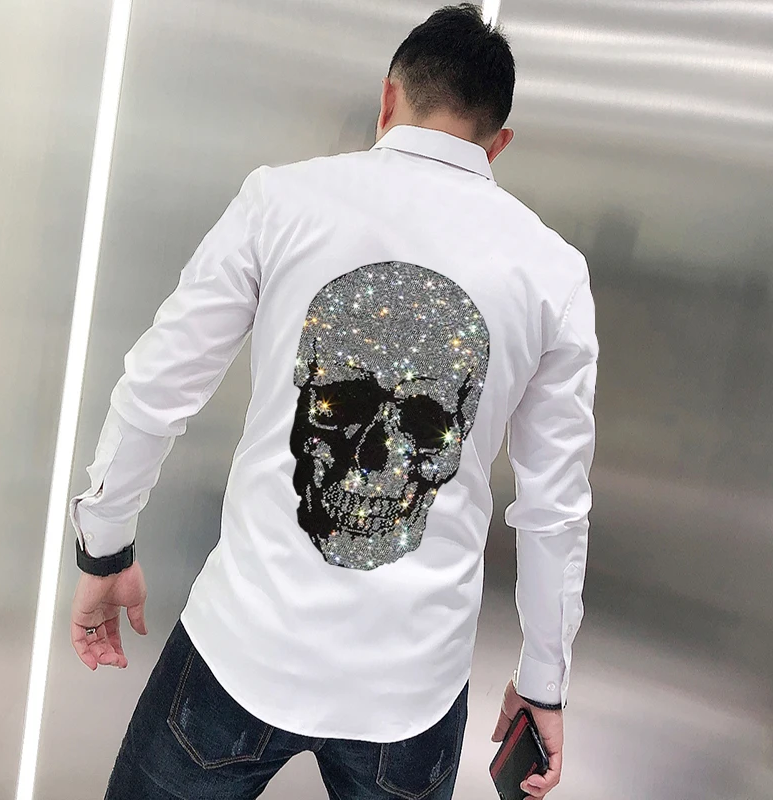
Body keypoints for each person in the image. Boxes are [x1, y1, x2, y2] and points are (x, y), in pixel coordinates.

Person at [69, 4, 597, 799]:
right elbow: (555, 509)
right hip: (412, 692)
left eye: (424, 420)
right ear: (498, 144)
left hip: (243, 648)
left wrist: (106, 548)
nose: (378, 451)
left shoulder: (280, 201)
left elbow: (158, 385)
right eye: (343, 404)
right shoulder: (553, 273)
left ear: (388, 99)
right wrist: (544, 683)